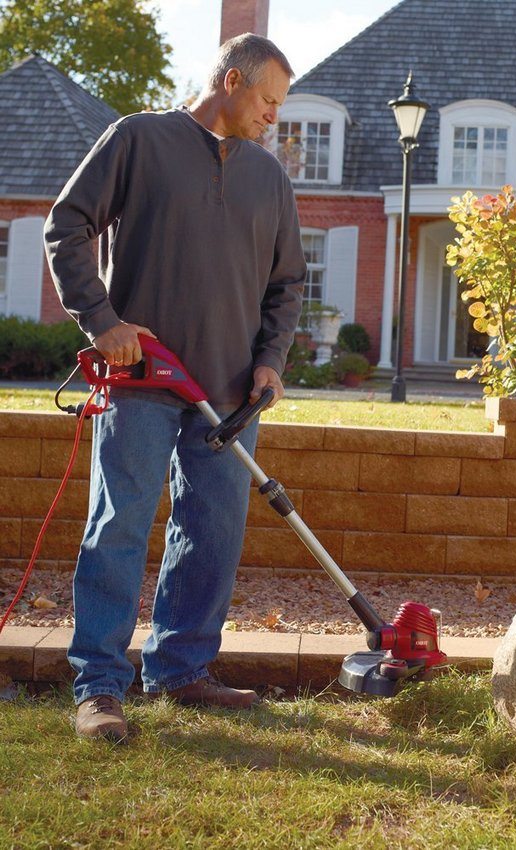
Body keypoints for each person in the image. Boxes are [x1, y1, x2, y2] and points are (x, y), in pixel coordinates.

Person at [44, 34, 306, 742]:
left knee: (211, 532)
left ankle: (182, 671)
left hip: (229, 392)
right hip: (141, 378)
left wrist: (270, 361)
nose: (273, 118)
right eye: (267, 100)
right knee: (120, 526)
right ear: (230, 80)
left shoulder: (267, 176)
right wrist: (101, 321)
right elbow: (65, 226)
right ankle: (99, 686)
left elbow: (288, 285)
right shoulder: (139, 139)